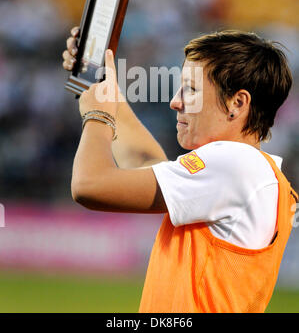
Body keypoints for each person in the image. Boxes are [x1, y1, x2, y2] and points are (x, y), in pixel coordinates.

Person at [62, 27, 298, 313]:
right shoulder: (254, 172)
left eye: (192, 89)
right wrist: (102, 88)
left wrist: (97, 114)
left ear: (237, 103)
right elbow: (144, 163)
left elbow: (90, 185)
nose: (175, 101)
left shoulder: (235, 163)